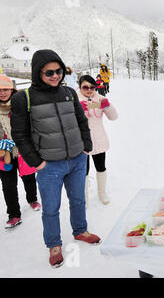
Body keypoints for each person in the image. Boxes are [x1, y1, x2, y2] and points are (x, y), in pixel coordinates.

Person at [10, 49, 101, 268]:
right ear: (37, 73)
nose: (55, 76)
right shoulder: (24, 98)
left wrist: (86, 146)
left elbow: (81, 122)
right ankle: (54, 244)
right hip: (49, 165)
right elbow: (19, 134)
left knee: (78, 200)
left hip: (77, 159)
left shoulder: (69, 92)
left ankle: (80, 230)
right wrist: (36, 162)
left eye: (58, 70)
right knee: (51, 208)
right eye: (49, 72)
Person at [0, 75, 40, 229]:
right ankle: (14, 214)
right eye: (0, 90)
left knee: (29, 177)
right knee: (8, 185)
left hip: (23, 149)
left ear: (12, 89)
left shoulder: (20, 105)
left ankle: (32, 199)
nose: (2, 93)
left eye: (5, 89)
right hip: (4, 154)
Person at [77, 75, 118, 206]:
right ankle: (84, 197)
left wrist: (108, 106)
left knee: (101, 167)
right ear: (80, 87)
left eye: (92, 87)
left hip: (99, 139)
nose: (89, 90)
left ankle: (102, 193)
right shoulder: (74, 100)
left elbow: (114, 117)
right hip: (82, 141)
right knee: (84, 171)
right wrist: (77, 110)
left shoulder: (100, 99)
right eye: (85, 87)